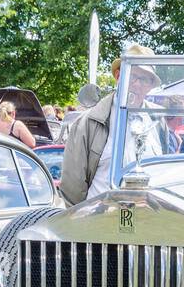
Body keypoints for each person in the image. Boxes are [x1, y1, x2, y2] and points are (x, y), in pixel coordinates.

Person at [60, 44, 160, 205]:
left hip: (147, 221)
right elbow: (72, 187)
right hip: (100, 220)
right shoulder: (87, 123)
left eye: (145, 80)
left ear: (150, 86)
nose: (137, 84)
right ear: (119, 76)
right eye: (133, 76)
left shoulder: (158, 120)